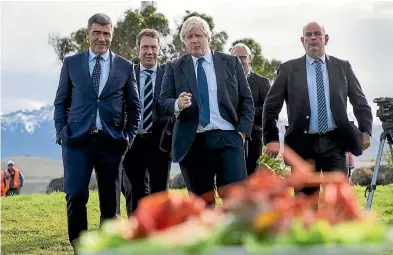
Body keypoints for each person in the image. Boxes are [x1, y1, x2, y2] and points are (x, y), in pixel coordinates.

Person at [53, 13, 141, 251]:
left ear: (111, 35)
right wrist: (62, 132)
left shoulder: (125, 66)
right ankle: (80, 247)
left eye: (106, 34)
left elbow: (134, 107)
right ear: (87, 34)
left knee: (110, 205)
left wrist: (127, 138)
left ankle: (107, 249)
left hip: (111, 143)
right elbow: (61, 101)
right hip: (76, 143)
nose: (102, 38)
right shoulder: (72, 63)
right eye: (97, 33)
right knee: (75, 196)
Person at [263, 21, 372, 199]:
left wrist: (366, 129)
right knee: (305, 203)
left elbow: (360, 101)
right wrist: (271, 138)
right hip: (302, 145)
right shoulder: (288, 69)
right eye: (308, 35)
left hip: (336, 142)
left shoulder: (342, 67)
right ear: (302, 40)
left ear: (325, 38)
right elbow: (271, 106)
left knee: (338, 201)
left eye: (317, 34)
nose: (313, 38)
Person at [158, 16, 254, 206]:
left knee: (236, 201)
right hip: (193, 142)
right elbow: (163, 101)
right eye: (189, 36)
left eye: (198, 35)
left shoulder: (231, 62)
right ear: (183, 40)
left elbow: (247, 100)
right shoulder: (174, 67)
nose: (194, 40)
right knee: (202, 205)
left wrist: (241, 133)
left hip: (228, 138)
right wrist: (177, 104)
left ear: (208, 38)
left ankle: (236, 236)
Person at [122, 28, 173, 217]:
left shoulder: (170, 74)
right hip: (132, 142)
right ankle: (136, 238)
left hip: (160, 142)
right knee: (135, 193)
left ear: (159, 49)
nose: (149, 52)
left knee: (159, 195)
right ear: (138, 49)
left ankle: (160, 239)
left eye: (153, 47)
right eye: (145, 47)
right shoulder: (127, 74)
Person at [230, 43, 271, 175]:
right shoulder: (224, 82)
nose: (240, 61)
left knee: (251, 173)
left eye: (243, 57)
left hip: (254, 134)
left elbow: (267, 107)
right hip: (230, 133)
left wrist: (246, 114)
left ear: (249, 58)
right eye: (235, 58)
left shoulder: (262, 82)